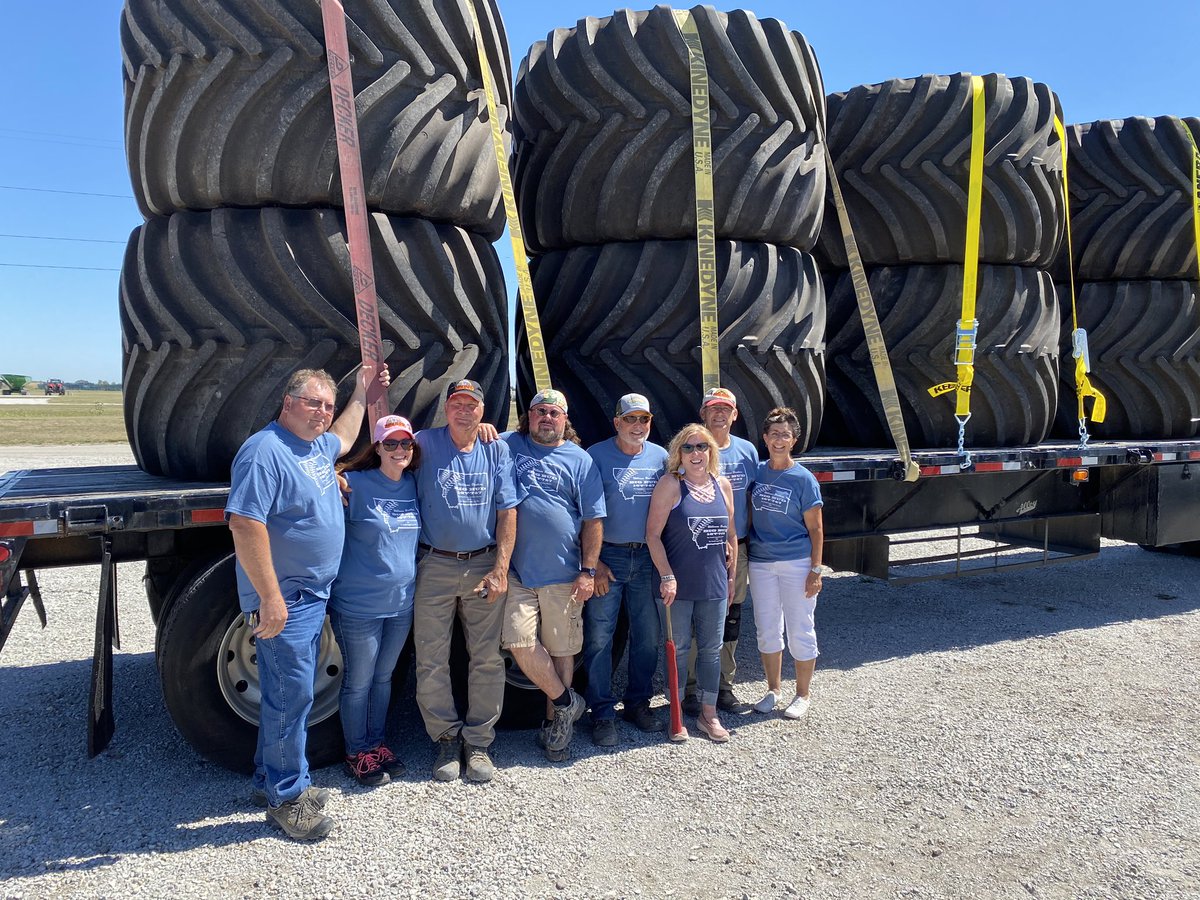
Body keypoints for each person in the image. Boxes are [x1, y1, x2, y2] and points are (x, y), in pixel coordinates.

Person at [226, 362, 387, 842]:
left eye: (327, 405)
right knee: (290, 696)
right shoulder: (265, 452)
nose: (322, 412)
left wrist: (360, 392)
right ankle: (287, 799)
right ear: (288, 403)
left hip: (312, 594)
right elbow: (244, 524)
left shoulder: (316, 446)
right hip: (288, 598)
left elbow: (343, 433)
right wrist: (270, 598)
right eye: (313, 402)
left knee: (287, 693)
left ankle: (268, 779)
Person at [412, 379, 520, 783]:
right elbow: (382, 453)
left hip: (483, 564)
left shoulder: (496, 448)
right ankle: (444, 738)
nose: (463, 410)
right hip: (435, 564)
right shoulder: (423, 442)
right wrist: (342, 474)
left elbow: (508, 511)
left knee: (488, 657)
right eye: (456, 403)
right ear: (446, 408)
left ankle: (478, 742)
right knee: (431, 657)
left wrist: (501, 568)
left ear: (482, 411)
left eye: (471, 405)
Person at [502, 389, 606, 762]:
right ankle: (567, 702)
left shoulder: (580, 460)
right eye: (540, 411)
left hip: (564, 573)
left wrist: (588, 571)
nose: (547, 418)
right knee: (518, 640)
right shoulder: (507, 444)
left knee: (562, 650)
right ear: (528, 416)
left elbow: (593, 520)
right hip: (517, 572)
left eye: (554, 413)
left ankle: (555, 726)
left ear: (565, 420)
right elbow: (470, 442)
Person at [328, 414, 420, 787]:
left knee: (384, 678)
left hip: (401, 604)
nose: (399, 450)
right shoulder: (355, 485)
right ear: (377, 447)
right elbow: (317, 479)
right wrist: (331, 475)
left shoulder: (414, 484)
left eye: (406, 443)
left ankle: (376, 744)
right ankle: (357, 751)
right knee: (360, 682)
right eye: (391, 443)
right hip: (358, 605)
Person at [583, 393, 669, 745]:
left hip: (648, 558)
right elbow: (583, 512)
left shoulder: (661, 457)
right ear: (616, 422)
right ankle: (602, 713)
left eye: (644, 420)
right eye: (631, 419)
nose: (638, 426)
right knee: (600, 638)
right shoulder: (596, 456)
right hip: (610, 559)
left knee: (647, 637)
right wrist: (594, 562)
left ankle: (637, 703)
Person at [646, 423, 738, 743]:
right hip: (677, 587)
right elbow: (653, 536)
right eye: (688, 447)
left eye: (702, 447)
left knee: (711, 650)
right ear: (678, 454)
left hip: (713, 584)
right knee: (679, 650)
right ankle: (676, 715)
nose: (696, 453)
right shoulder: (670, 484)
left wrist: (730, 580)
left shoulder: (722, 485)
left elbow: (731, 536)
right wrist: (667, 576)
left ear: (711, 451)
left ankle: (708, 715)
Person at [747, 407, 826, 720]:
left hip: (796, 563)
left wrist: (815, 570)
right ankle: (773, 689)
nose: (779, 439)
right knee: (767, 629)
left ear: (794, 440)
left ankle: (803, 694)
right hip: (761, 563)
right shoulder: (758, 472)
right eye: (774, 434)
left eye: (785, 434)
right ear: (765, 438)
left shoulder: (803, 479)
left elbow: (816, 528)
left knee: (800, 629)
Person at [684, 386, 758, 714]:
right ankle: (689, 688)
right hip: (695, 549)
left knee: (730, 617)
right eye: (713, 408)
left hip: (734, 548)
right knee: (693, 621)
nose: (719, 414)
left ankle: (723, 686)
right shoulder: (692, 449)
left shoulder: (747, 452)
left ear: (735, 415)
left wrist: (747, 545)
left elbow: (753, 500)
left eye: (725, 409)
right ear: (703, 414)